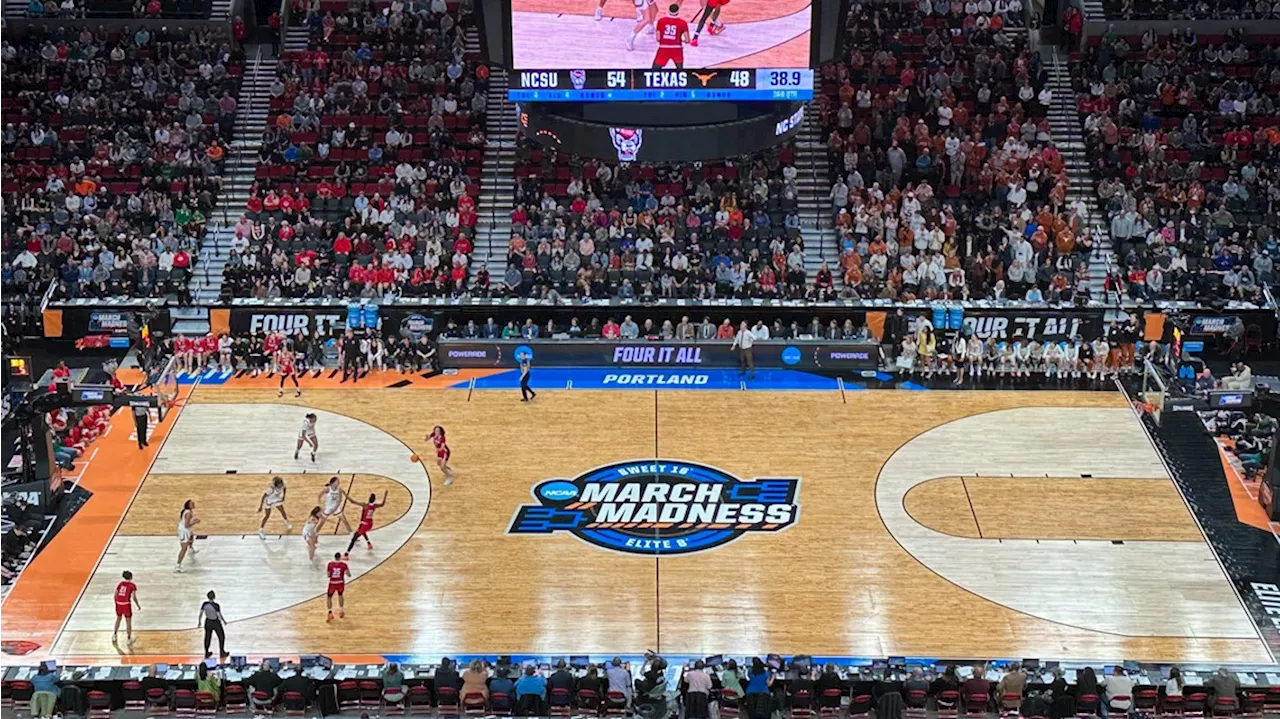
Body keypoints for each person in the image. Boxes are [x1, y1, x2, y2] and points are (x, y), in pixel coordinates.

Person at [650, 3, 689, 69]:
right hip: (677, 49)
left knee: (654, 70)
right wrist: (679, 39)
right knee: (680, 70)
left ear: (669, 10)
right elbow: (687, 40)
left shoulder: (661, 21)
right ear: (678, 11)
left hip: (663, 48)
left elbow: (658, 38)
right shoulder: (683, 23)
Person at [113, 570, 140, 646]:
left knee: (118, 619)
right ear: (131, 577)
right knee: (128, 622)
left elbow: (115, 595)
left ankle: (114, 635)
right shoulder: (132, 585)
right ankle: (128, 639)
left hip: (118, 603)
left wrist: (116, 603)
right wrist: (138, 605)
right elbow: (134, 597)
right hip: (126, 604)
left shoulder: (120, 584)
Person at [198, 590, 227, 658]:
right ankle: (222, 652)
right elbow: (219, 615)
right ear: (214, 597)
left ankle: (206, 652)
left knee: (207, 637)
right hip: (215, 622)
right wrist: (224, 621)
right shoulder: (216, 605)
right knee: (221, 636)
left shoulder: (204, 604)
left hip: (208, 622)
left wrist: (199, 621)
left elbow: (201, 613)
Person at [325, 552, 350, 621]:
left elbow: (328, 575)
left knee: (329, 597)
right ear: (340, 557)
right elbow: (348, 574)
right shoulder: (344, 565)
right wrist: (345, 573)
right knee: (340, 595)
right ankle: (341, 611)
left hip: (332, 583)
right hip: (340, 583)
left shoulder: (330, 564)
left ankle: (330, 612)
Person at [176, 499, 199, 573]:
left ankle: (191, 548)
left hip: (185, 529)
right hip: (184, 531)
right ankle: (178, 566)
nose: (194, 504)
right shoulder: (188, 513)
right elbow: (186, 525)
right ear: (188, 505)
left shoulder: (187, 511)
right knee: (183, 548)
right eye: (192, 503)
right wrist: (195, 522)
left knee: (192, 535)